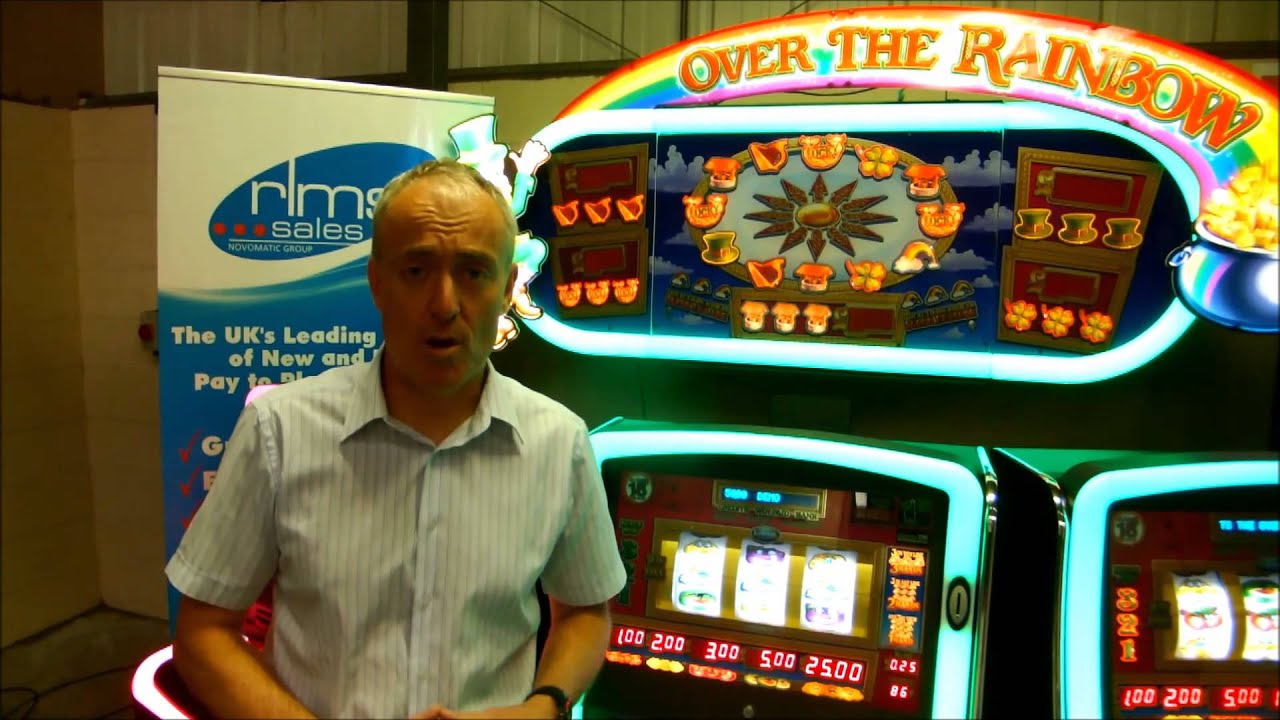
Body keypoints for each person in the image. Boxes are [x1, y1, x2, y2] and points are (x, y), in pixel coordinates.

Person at [166, 158, 627, 719]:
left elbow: (584, 612)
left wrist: (544, 706)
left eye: (474, 272)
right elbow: (204, 631)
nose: (444, 305)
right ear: (377, 282)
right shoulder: (279, 430)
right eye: (416, 270)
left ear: (508, 289)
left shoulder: (560, 443)